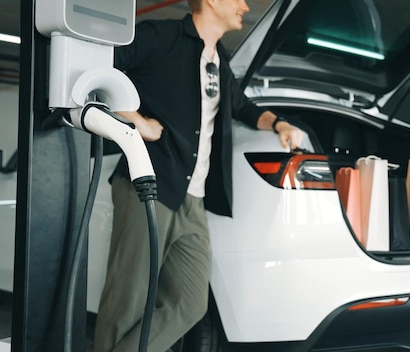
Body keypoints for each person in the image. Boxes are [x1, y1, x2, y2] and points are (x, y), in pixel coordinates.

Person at [93, 0, 303, 351]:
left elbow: (242, 107)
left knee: (190, 303)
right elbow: (99, 66)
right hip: (149, 184)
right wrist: (135, 120)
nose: (245, 6)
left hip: (193, 199)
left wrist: (278, 123)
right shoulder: (161, 36)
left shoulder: (218, 60)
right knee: (128, 299)